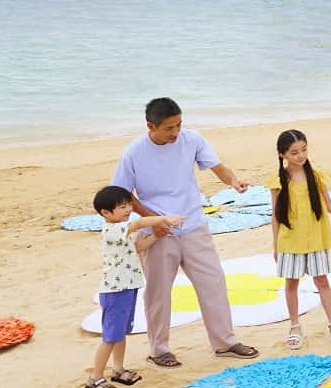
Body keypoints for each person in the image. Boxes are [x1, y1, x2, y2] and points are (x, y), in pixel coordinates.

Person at [112, 97, 261, 367]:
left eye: (179, 125)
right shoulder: (133, 154)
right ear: (151, 127)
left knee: (213, 283)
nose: (176, 132)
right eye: (169, 128)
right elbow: (123, 194)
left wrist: (233, 181)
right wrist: (153, 220)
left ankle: (225, 342)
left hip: (193, 226)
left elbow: (217, 166)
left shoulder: (192, 140)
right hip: (158, 233)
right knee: (158, 293)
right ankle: (159, 350)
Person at [85, 186, 180, 388]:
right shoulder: (113, 229)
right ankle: (95, 377)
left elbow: (136, 249)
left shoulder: (121, 230)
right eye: (122, 206)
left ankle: (118, 369)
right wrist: (164, 218)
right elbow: (138, 223)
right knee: (111, 337)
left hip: (127, 288)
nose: (128, 209)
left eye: (128, 204)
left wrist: (156, 236)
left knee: (120, 334)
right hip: (116, 291)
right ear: (105, 213)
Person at [271, 129, 331, 348]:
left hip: (316, 238)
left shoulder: (316, 175)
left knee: (322, 281)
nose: (301, 155)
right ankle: (295, 326)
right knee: (291, 284)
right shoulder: (278, 181)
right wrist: (275, 245)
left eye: (304, 150)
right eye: (294, 152)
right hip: (290, 241)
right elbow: (276, 215)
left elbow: (329, 205)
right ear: (282, 154)